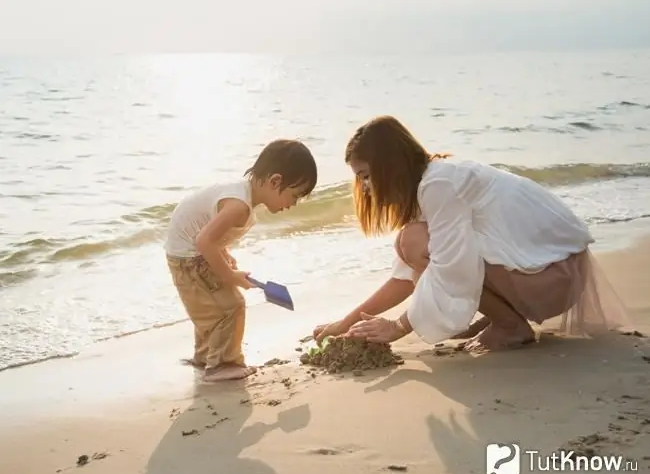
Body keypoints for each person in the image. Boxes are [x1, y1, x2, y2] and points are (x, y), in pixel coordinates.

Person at [313, 116, 629, 352]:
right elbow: (404, 278)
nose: (365, 188)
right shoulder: (432, 182)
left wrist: (398, 327)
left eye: (366, 176)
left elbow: (454, 268)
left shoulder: (439, 185)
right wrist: (346, 322)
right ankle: (505, 317)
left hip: (552, 278)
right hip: (552, 272)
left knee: (414, 242)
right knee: (411, 242)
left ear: (389, 165)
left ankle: (510, 325)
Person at [166, 139, 317, 382]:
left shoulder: (241, 195)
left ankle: (205, 357)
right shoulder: (238, 205)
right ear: (275, 181)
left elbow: (209, 232)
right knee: (230, 306)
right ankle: (222, 365)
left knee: (210, 307)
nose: (293, 205)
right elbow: (204, 241)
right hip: (189, 258)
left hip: (186, 254)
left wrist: (224, 256)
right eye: (294, 196)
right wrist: (229, 276)